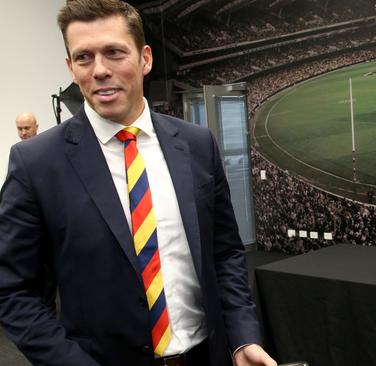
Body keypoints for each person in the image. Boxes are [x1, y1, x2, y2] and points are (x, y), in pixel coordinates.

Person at [0, 1, 276, 366]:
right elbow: (12, 290)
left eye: (114, 52)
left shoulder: (196, 144)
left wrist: (243, 338)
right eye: (84, 57)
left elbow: (224, 253)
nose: (99, 70)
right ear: (70, 67)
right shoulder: (36, 163)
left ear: (145, 59)